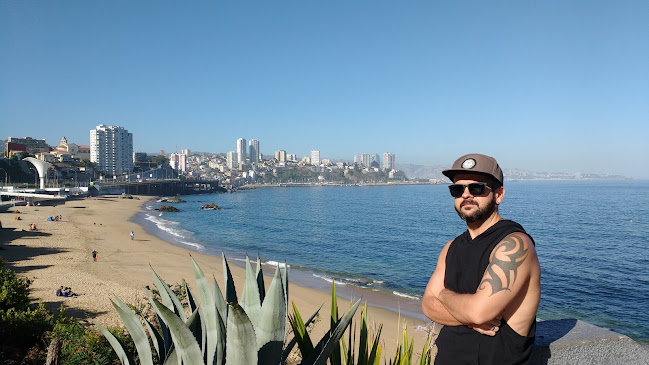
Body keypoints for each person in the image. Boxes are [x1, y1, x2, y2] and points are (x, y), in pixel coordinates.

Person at [422, 153, 541, 364]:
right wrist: (469, 319)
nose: (466, 195)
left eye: (477, 188)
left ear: (499, 195)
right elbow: (428, 306)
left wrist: (443, 295)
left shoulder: (514, 244)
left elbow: (479, 312)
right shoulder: (451, 248)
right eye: (457, 189)